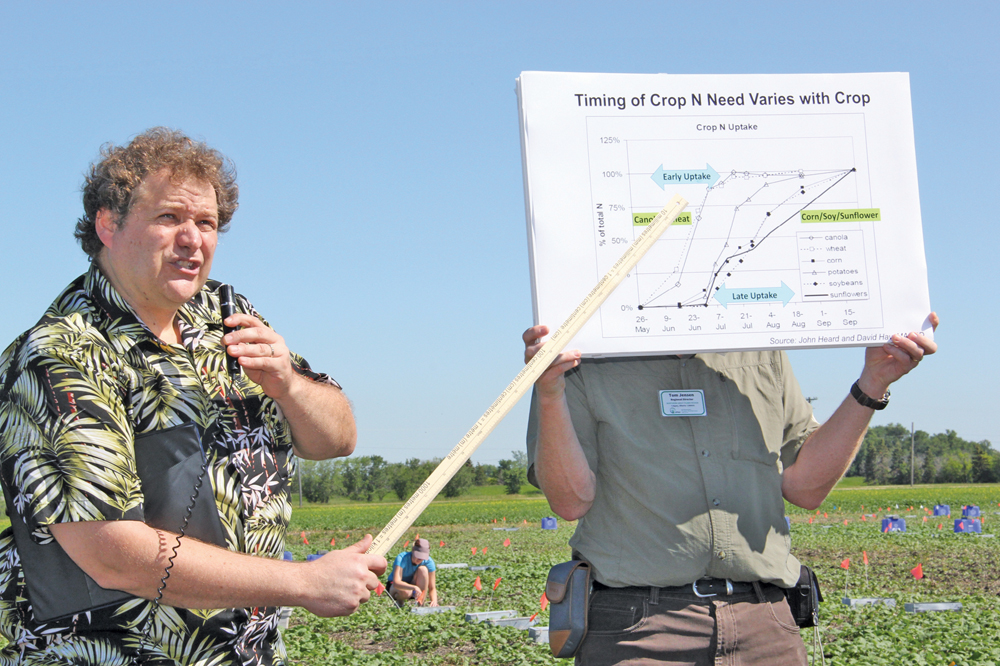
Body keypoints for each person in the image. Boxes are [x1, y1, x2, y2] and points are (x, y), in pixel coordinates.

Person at [0, 128, 386, 665]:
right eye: (168, 218)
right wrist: (303, 583)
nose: (192, 239)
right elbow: (112, 553)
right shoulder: (64, 354)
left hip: (244, 652)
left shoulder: (224, 315)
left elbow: (337, 438)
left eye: (206, 223)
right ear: (108, 225)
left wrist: (288, 385)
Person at [523, 316, 938, 666]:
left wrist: (872, 383)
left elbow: (805, 486)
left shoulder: (761, 350)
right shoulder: (578, 361)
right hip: (638, 631)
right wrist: (548, 391)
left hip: (765, 624)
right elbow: (570, 500)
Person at [388, 538, 438, 607]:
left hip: (414, 589)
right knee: (405, 592)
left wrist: (434, 601)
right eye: (418, 556)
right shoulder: (402, 558)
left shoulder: (429, 562)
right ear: (413, 550)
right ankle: (400, 603)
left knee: (423, 569)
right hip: (396, 587)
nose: (420, 559)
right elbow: (396, 583)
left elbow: (432, 587)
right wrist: (413, 587)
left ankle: (420, 603)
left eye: (422, 557)